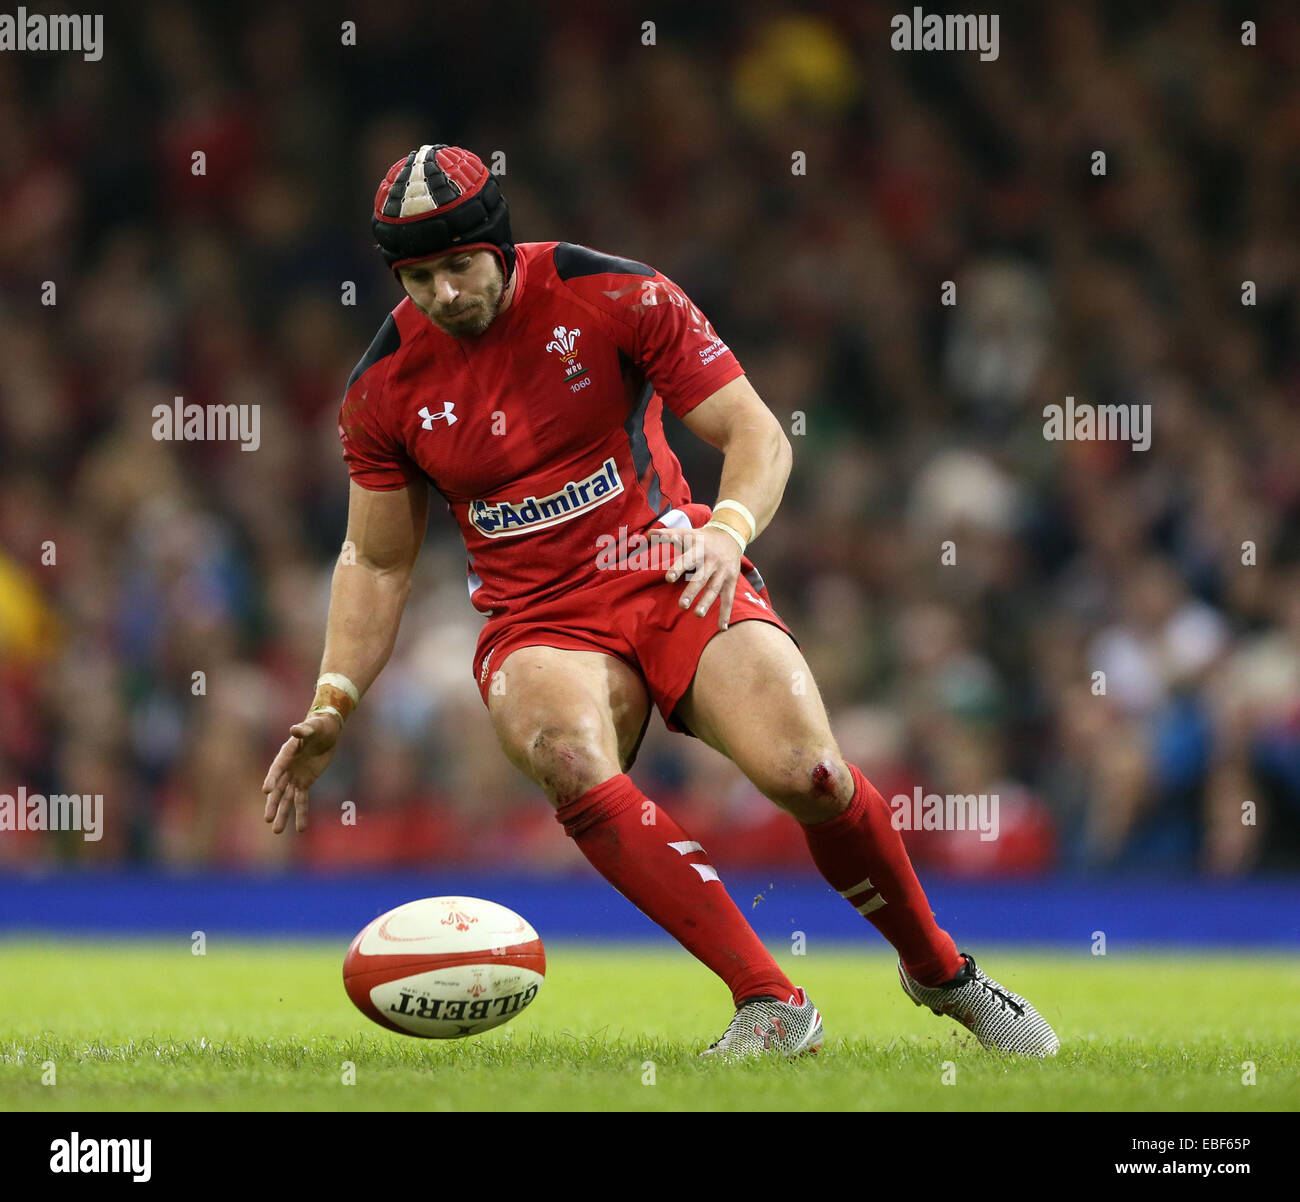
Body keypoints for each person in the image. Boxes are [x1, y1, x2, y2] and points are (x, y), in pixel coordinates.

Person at [261, 144, 1059, 1057]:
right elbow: (373, 559)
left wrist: (727, 529)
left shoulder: (617, 295)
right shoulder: (382, 386)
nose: (441, 293)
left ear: (499, 245)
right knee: (565, 751)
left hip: (672, 570)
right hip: (539, 619)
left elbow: (756, 432)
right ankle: (770, 1000)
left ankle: (941, 972)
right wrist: (334, 698)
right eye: (417, 276)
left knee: (811, 776)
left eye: (457, 266)